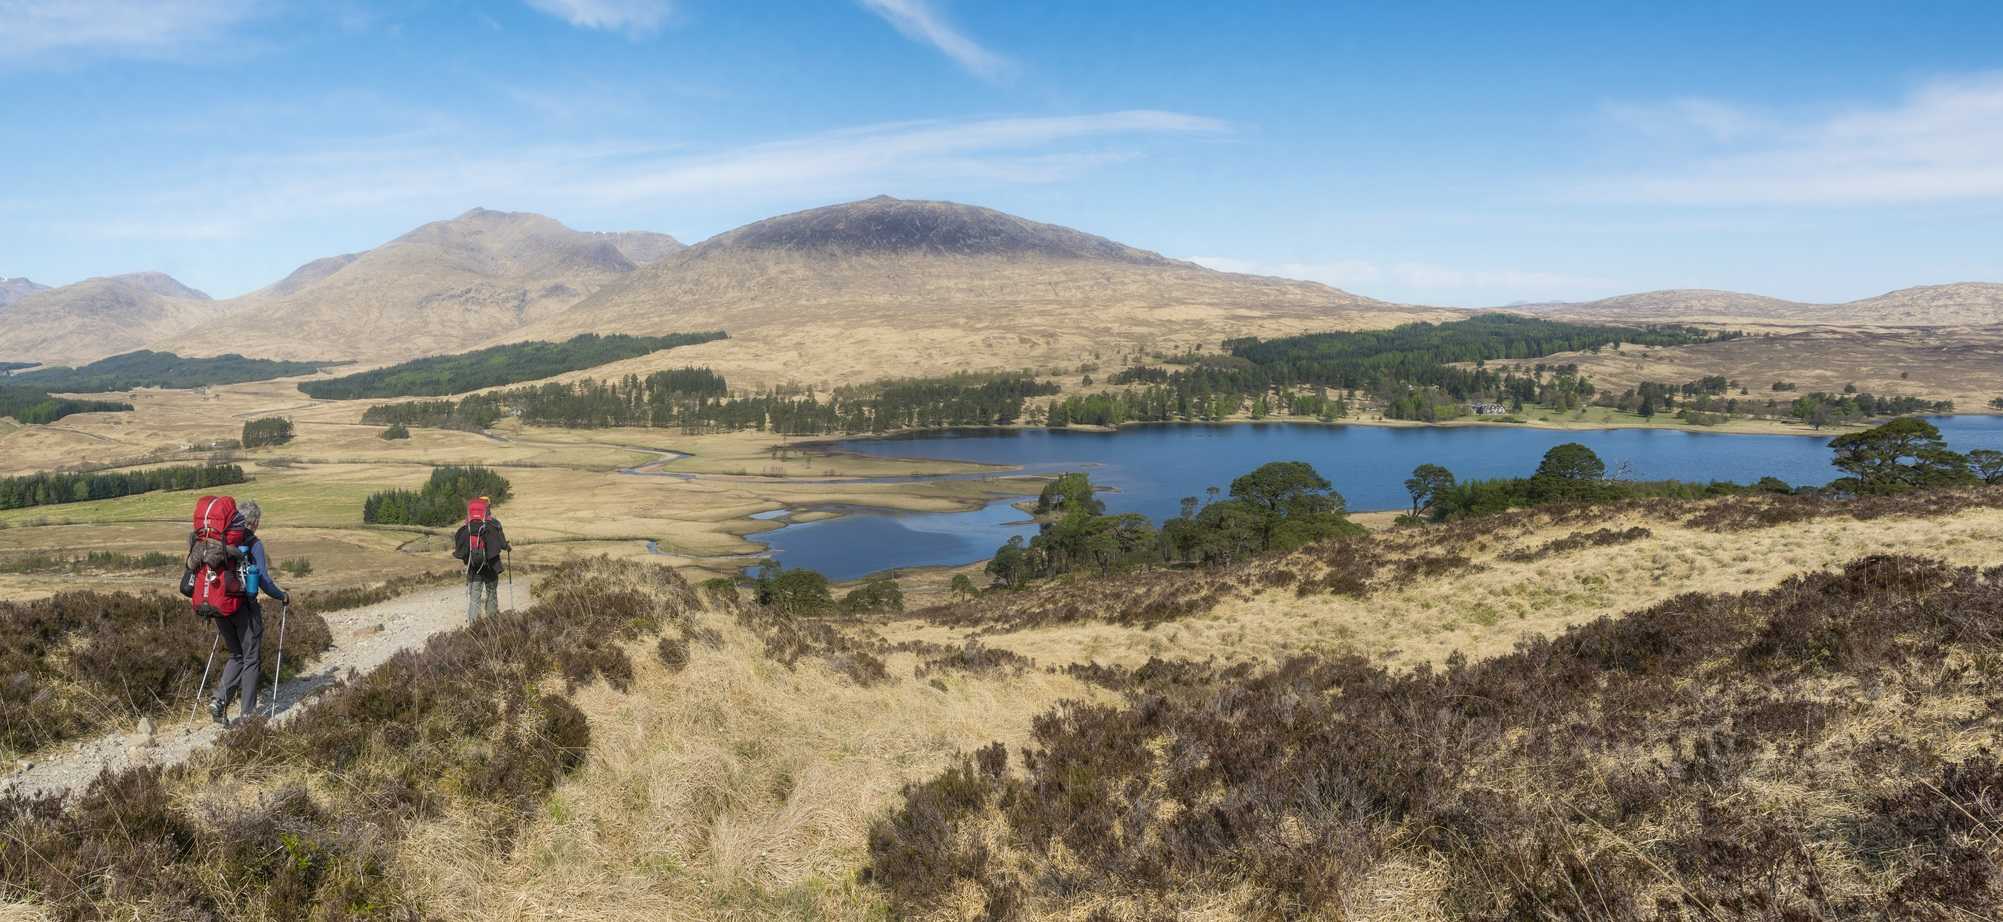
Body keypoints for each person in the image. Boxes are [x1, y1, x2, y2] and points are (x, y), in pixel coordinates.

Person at [210, 500, 288, 726]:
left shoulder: (219, 539)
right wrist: (281, 596)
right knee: (251, 658)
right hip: (244, 608)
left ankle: (219, 700)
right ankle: (248, 715)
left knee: (237, 655)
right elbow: (263, 579)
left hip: (219, 605)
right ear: (254, 522)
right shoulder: (253, 543)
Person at [453, 497, 510, 623]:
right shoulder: (495, 524)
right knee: (491, 594)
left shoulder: (467, 526)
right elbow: (502, 544)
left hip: (474, 568)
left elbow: (460, 545)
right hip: (491, 567)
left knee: (474, 597)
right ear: (488, 508)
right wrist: (507, 547)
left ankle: (473, 627)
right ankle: (492, 623)